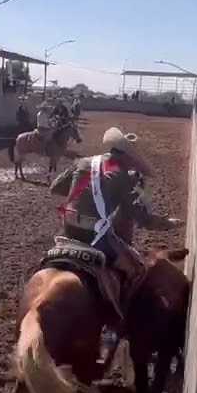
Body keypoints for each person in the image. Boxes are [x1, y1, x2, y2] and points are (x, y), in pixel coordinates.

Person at [50, 127, 182, 346]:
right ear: (123, 154)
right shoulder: (123, 176)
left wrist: (85, 192)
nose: (132, 163)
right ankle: (115, 324)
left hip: (68, 230)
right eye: (131, 158)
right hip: (96, 235)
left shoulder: (82, 163)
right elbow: (137, 215)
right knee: (136, 270)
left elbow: (56, 188)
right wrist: (166, 223)